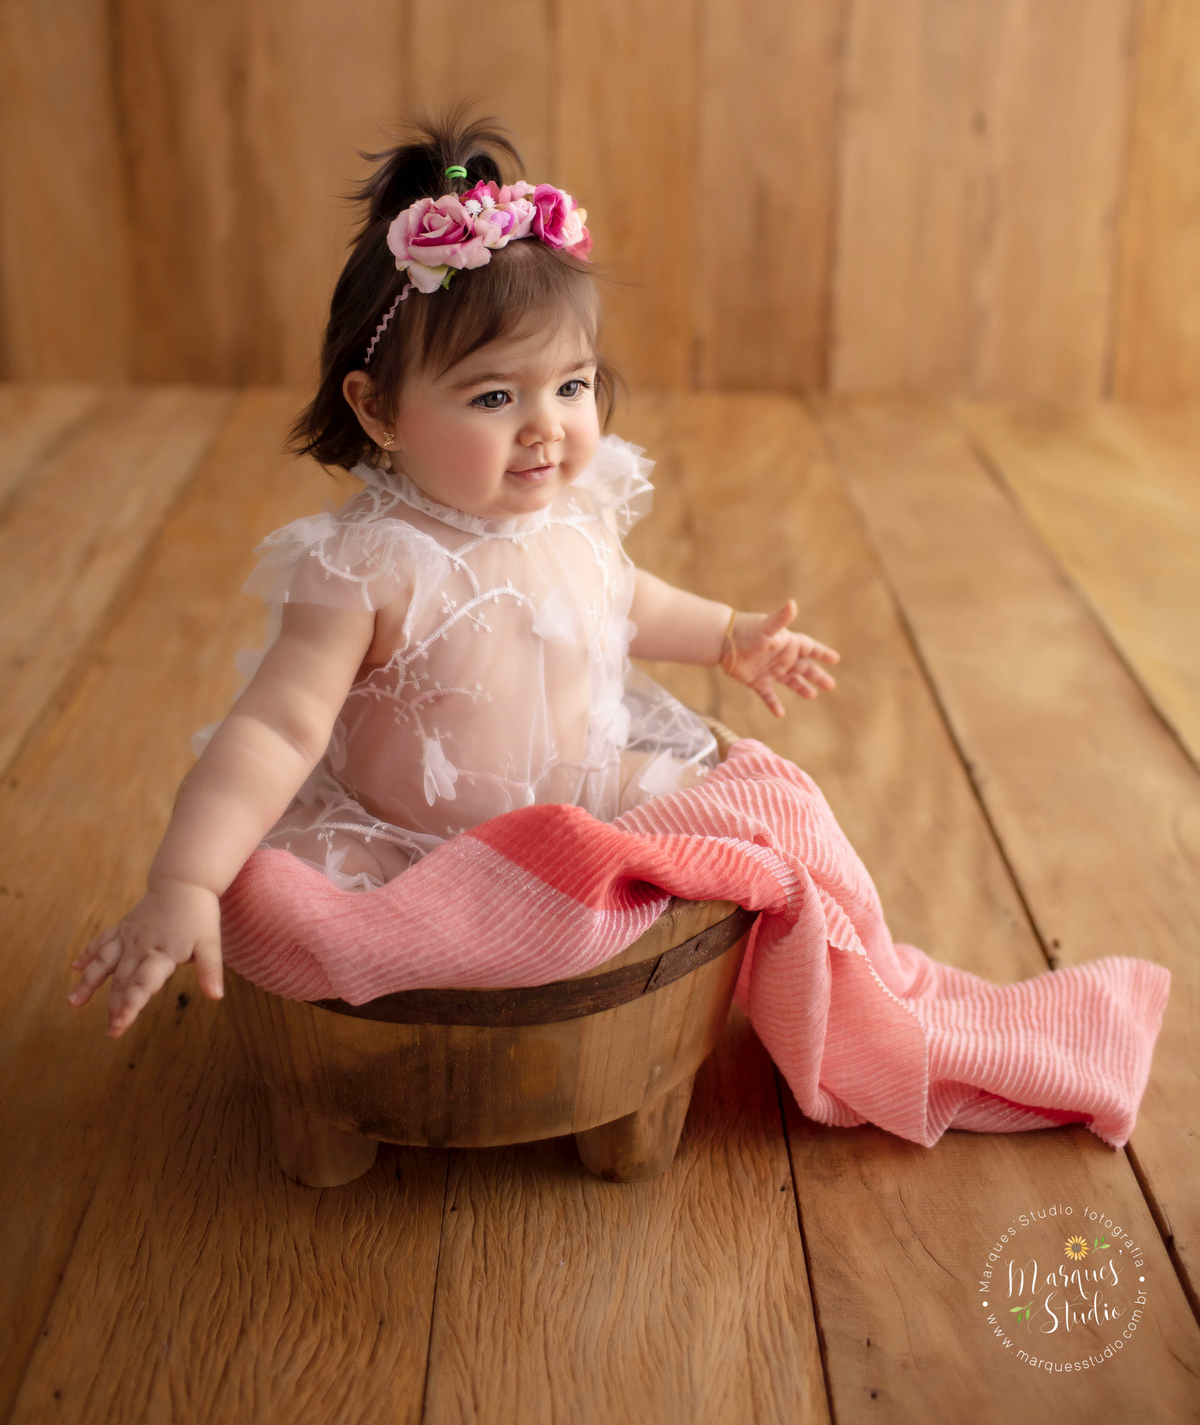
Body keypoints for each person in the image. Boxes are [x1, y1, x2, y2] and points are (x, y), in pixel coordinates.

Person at [69, 110, 839, 1038]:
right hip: (413, 846)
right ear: (379, 408)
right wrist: (184, 881)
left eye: (572, 384)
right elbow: (277, 727)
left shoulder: (572, 513)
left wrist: (724, 635)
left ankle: (688, 946)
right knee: (274, 901)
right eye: (494, 396)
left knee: (760, 805)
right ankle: (497, 949)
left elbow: (622, 601)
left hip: (581, 797)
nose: (547, 425)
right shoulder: (375, 564)